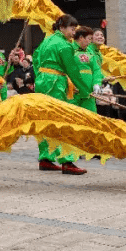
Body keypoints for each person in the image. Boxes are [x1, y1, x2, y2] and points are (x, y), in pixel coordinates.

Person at [33, 14, 92, 175]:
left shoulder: (47, 41)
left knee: (45, 120)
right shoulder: (64, 45)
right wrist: (85, 90)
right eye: (72, 29)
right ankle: (67, 160)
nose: (74, 33)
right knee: (62, 120)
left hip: (42, 81)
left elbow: (36, 60)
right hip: (55, 83)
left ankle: (46, 157)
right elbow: (72, 69)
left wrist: (40, 76)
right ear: (62, 28)